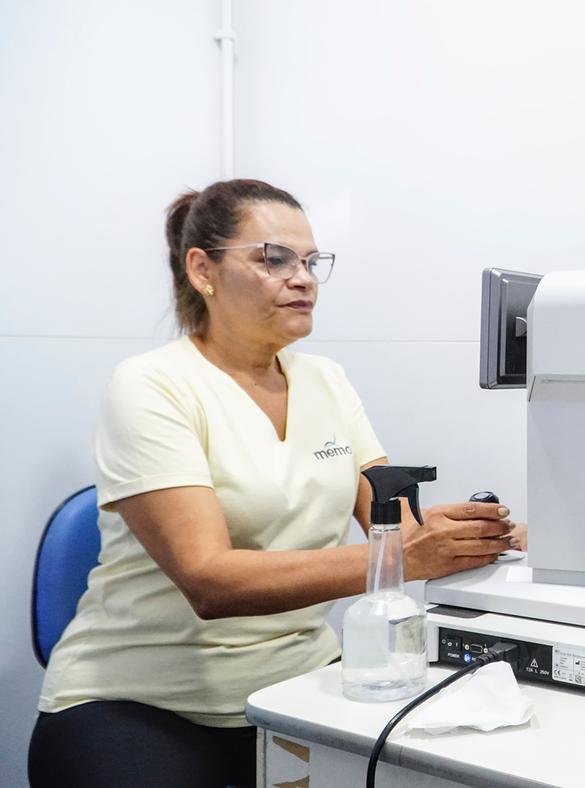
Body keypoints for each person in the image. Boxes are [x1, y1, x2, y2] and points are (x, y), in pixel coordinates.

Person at [28, 179, 524, 788]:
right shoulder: (152, 386)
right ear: (202, 270)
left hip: (301, 683)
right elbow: (211, 582)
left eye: (312, 262)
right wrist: (411, 554)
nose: (304, 278)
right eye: (274, 259)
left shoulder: (326, 381)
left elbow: (394, 527)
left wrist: (509, 536)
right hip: (142, 701)